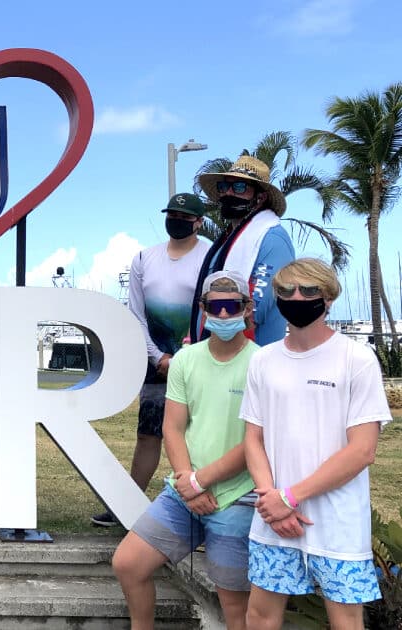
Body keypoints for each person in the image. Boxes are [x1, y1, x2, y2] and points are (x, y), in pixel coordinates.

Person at [242, 258, 392, 630]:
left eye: (308, 290)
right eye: (286, 291)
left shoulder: (356, 359)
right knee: (260, 615)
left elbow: (362, 450)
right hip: (273, 522)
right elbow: (253, 438)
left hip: (336, 526)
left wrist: (289, 498)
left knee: (345, 621)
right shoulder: (263, 360)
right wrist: (270, 498)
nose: (297, 297)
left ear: (327, 298)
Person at [112, 270, 259, 630]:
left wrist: (200, 482)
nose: (223, 315)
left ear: (247, 309)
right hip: (185, 492)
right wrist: (186, 482)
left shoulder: (262, 364)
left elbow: (257, 442)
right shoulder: (185, 360)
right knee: (128, 563)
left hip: (238, 496)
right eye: (216, 307)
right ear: (204, 310)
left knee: (234, 604)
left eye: (232, 306)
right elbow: (172, 428)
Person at [92, 193, 211, 528]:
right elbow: (136, 314)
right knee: (148, 434)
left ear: (198, 222)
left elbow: (213, 307)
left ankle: (198, 508)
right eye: (172, 213)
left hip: (199, 358)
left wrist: (187, 354)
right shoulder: (144, 258)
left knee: (197, 436)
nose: (176, 219)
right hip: (156, 362)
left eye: (184, 215)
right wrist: (158, 357)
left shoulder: (211, 256)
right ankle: (125, 507)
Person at [191, 154, 295, 345]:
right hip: (213, 357)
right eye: (224, 187)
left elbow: (257, 307)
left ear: (261, 197)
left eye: (239, 187)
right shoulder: (226, 239)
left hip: (252, 358)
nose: (228, 193)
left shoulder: (272, 238)